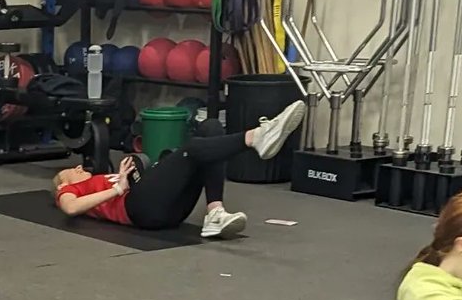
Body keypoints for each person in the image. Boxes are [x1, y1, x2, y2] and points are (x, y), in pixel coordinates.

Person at [52, 102, 306, 239]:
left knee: (211, 128)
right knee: (195, 147)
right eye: (69, 172)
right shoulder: (70, 190)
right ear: (63, 185)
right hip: (140, 210)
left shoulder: (97, 179)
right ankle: (256, 137)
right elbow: (71, 208)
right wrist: (118, 188)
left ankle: (215, 213)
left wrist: (126, 175)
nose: (76, 168)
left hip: (162, 204)